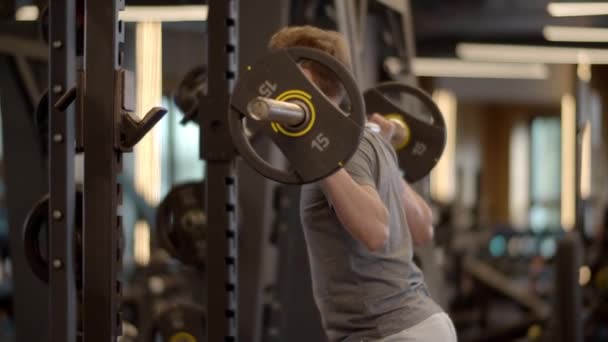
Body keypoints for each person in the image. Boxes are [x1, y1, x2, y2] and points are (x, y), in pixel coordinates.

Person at [268, 26, 457, 342]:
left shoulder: (339, 149)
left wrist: (319, 153)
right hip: (418, 326)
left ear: (301, 76)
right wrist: (386, 161)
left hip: (391, 333)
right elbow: (423, 228)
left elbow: (375, 230)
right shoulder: (368, 141)